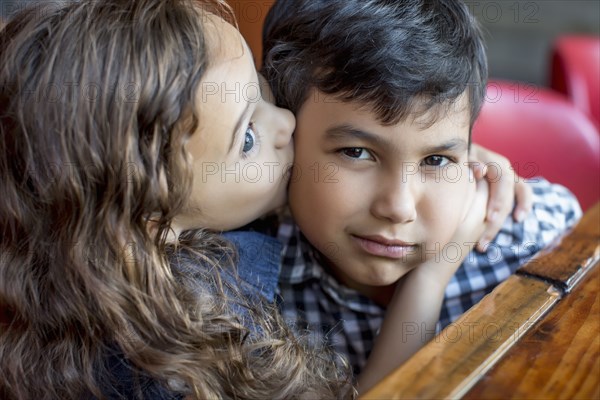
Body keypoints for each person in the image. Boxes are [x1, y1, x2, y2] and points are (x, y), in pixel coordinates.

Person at [0, 0, 353, 398]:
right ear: (154, 222)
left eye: (257, 84)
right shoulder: (188, 354)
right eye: (247, 139)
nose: (286, 121)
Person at [261, 0, 582, 391]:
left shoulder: (531, 250)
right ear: (284, 140)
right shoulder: (243, 278)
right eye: (356, 152)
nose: (398, 207)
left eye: (436, 159)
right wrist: (430, 278)